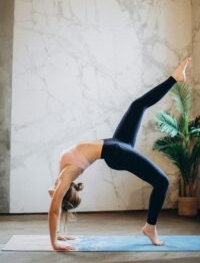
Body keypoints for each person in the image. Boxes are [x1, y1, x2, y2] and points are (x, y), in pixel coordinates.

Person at [48, 57, 191, 251]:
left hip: (115, 143)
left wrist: (60, 234)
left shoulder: (61, 172)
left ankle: (175, 77)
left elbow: (59, 203)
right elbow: (55, 209)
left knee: (137, 105)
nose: (52, 191)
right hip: (115, 153)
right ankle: (150, 227)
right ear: (66, 190)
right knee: (162, 182)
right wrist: (54, 243)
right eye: (57, 191)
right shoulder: (68, 174)